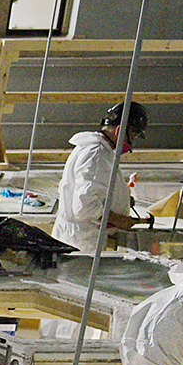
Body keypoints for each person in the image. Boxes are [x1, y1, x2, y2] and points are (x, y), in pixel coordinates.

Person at [52, 101, 149, 253]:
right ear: (120, 130)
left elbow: (95, 187)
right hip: (83, 239)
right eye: (133, 135)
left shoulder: (99, 150)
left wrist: (120, 198)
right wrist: (119, 219)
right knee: (82, 275)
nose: (132, 142)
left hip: (82, 234)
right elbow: (84, 208)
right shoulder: (97, 155)